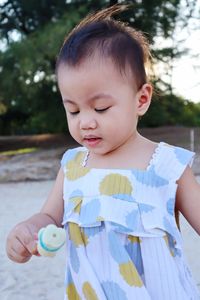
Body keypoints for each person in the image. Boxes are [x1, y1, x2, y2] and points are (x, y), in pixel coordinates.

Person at [6, 5, 200, 300]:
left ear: (142, 99)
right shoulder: (73, 166)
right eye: (72, 109)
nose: (85, 121)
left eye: (100, 108)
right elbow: (49, 215)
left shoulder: (167, 165)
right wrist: (29, 230)